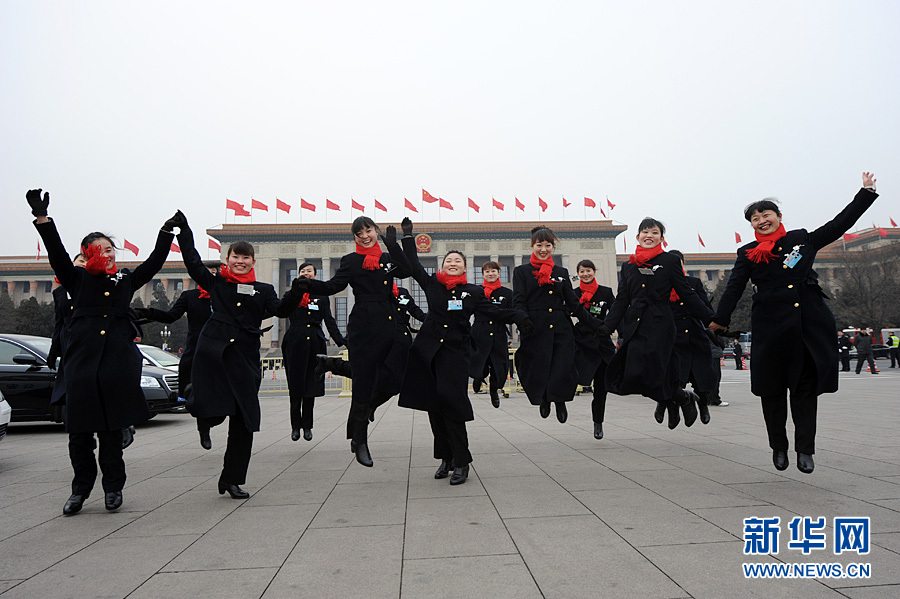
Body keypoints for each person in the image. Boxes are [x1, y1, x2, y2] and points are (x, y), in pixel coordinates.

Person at [711, 172, 879, 474]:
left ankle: (805, 449)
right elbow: (733, 288)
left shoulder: (800, 240)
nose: (761, 220)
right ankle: (778, 445)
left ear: (778, 216)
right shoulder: (747, 253)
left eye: (766, 214)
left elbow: (839, 225)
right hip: (770, 328)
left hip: (805, 325)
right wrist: (719, 322)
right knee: (771, 392)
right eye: (755, 218)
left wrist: (865, 193)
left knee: (804, 390)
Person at [29, 188, 176, 515]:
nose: (106, 254)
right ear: (85, 252)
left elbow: (152, 264)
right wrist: (43, 219)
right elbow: (55, 253)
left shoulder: (123, 281)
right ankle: (80, 491)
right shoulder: (76, 279)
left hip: (115, 365)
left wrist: (166, 233)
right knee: (79, 436)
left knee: (111, 436)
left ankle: (113, 489)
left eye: (110, 249)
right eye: (98, 249)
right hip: (81, 366)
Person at [175, 212, 300, 498]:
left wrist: (297, 290)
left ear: (253, 262)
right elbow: (193, 264)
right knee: (214, 409)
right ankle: (199, 406)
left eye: (246, 258)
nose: (240, 261)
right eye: (235, 257)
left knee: (244, 420)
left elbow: (280, 310)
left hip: (245, 357)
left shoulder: (263, 290)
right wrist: (184, 232)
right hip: (215, 355)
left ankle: (231, 479)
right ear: (227, 259)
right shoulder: (217, 284)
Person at [398, 218, 531, 484]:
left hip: (456, 353)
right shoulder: (433, 285)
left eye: (458, 261)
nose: (453, 263)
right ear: (442, 265)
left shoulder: (473, 292)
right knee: (433, 406)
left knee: (452, 402)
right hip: (428, 352)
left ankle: (462, 460)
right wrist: (408, 237)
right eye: (449, 261)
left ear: (465, 267)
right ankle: (445, 458)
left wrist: (518, 316)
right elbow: (412, 267)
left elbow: (494, 312)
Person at [294, 217, 410, 467]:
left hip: (389, 325)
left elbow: (407, 270)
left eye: (368, 230)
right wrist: (308, 285)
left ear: (376, 231)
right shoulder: (351, 261)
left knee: (395, 378)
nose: (364, 235)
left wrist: (393, 245)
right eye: (359, 233)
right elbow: (334, 286)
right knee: (363, 385)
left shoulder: (386, 260)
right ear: (354, 237)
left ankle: (341, 378)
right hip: (363, 327)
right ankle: (360, 440)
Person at [601, 218, 714, 429]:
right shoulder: (628, 266)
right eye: (645, 232)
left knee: (656, 371)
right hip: (635, 325)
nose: (649, 236)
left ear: (661, 238)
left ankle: (673, 401)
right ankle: (680, 398)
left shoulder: (669, 261)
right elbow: (622, 299)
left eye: (654, 232)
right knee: (634, 374)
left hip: (661, 325)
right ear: (637, 237)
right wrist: (607, 326)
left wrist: (711, 319)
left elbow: (686, 293)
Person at [513, 226, 602, 423]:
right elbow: (519, 300)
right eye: (539, 245)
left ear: (553, 247)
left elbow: (573, 302)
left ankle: (559, 400)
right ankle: (544, 396)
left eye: (548, 245)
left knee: (562, 365)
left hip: (561, 326)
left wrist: (595, 323)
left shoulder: (561, 272)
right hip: (535, 327)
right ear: (532, 246)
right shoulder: (522, 272)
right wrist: (523, 319)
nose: (543, 249)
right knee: (539, 364)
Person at [135, 261, 222, 449]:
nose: (210, 275)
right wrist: (149, 312)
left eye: (214, 272)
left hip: (219, 347)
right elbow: (171, 316)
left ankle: (213, 419)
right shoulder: (189, 296)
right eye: (207, 272)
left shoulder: (223, 296)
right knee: (198, 392)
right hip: (197, 347)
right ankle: (203, 428)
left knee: (219, 392)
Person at [281, 262, 346, 442]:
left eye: (309, 271)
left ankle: (307, 426)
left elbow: (329, 320)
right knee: (295, 385)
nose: (305, 273)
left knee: (311, 385)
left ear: (315, 276)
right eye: (302, 271)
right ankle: (295, 426)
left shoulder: (321, 297)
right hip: (294, 340)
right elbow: (280, 309)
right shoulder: (290, 295)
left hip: (315, 341)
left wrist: (340, 339)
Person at [667, 250, 718, 426]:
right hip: (673, 335)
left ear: (683, 264)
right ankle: (672, 409)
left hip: (694, 333)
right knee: (672, 377)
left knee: (701, 375)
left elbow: (703, 306)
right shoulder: (662, 284)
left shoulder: (693, 282)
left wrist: (715, 323)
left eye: (678, 263)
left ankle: (703, 404)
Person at [572, 259, 617, 439]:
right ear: (578, 273)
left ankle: (598, 422)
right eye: (582, 271)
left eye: (588, 270)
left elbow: (615, 313)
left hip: (601, 343)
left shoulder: (605, 292)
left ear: (594, 271)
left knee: (601, 388)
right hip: (581, 343)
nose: (585, 274)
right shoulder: (574, 293)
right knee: (570, 376)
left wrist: (612, 329)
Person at [469, 261, 514, 408]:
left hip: (498, 332)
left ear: (498, 273)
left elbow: (512, 313)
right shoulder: (476, 292)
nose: (490, 274)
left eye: (493, 271)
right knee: (479, 361)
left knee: (498, 365)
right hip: (479, 332)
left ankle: (494, 390)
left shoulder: (507, 294)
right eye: (487, 271)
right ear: (483, 274)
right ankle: (479, 377)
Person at [705, 331, 729, 407]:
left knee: (708, 377)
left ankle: (707, 398)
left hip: (705, 354)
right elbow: (720, 342)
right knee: (716, 377)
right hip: (714, 354)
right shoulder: (714, 330)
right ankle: (715, 399)